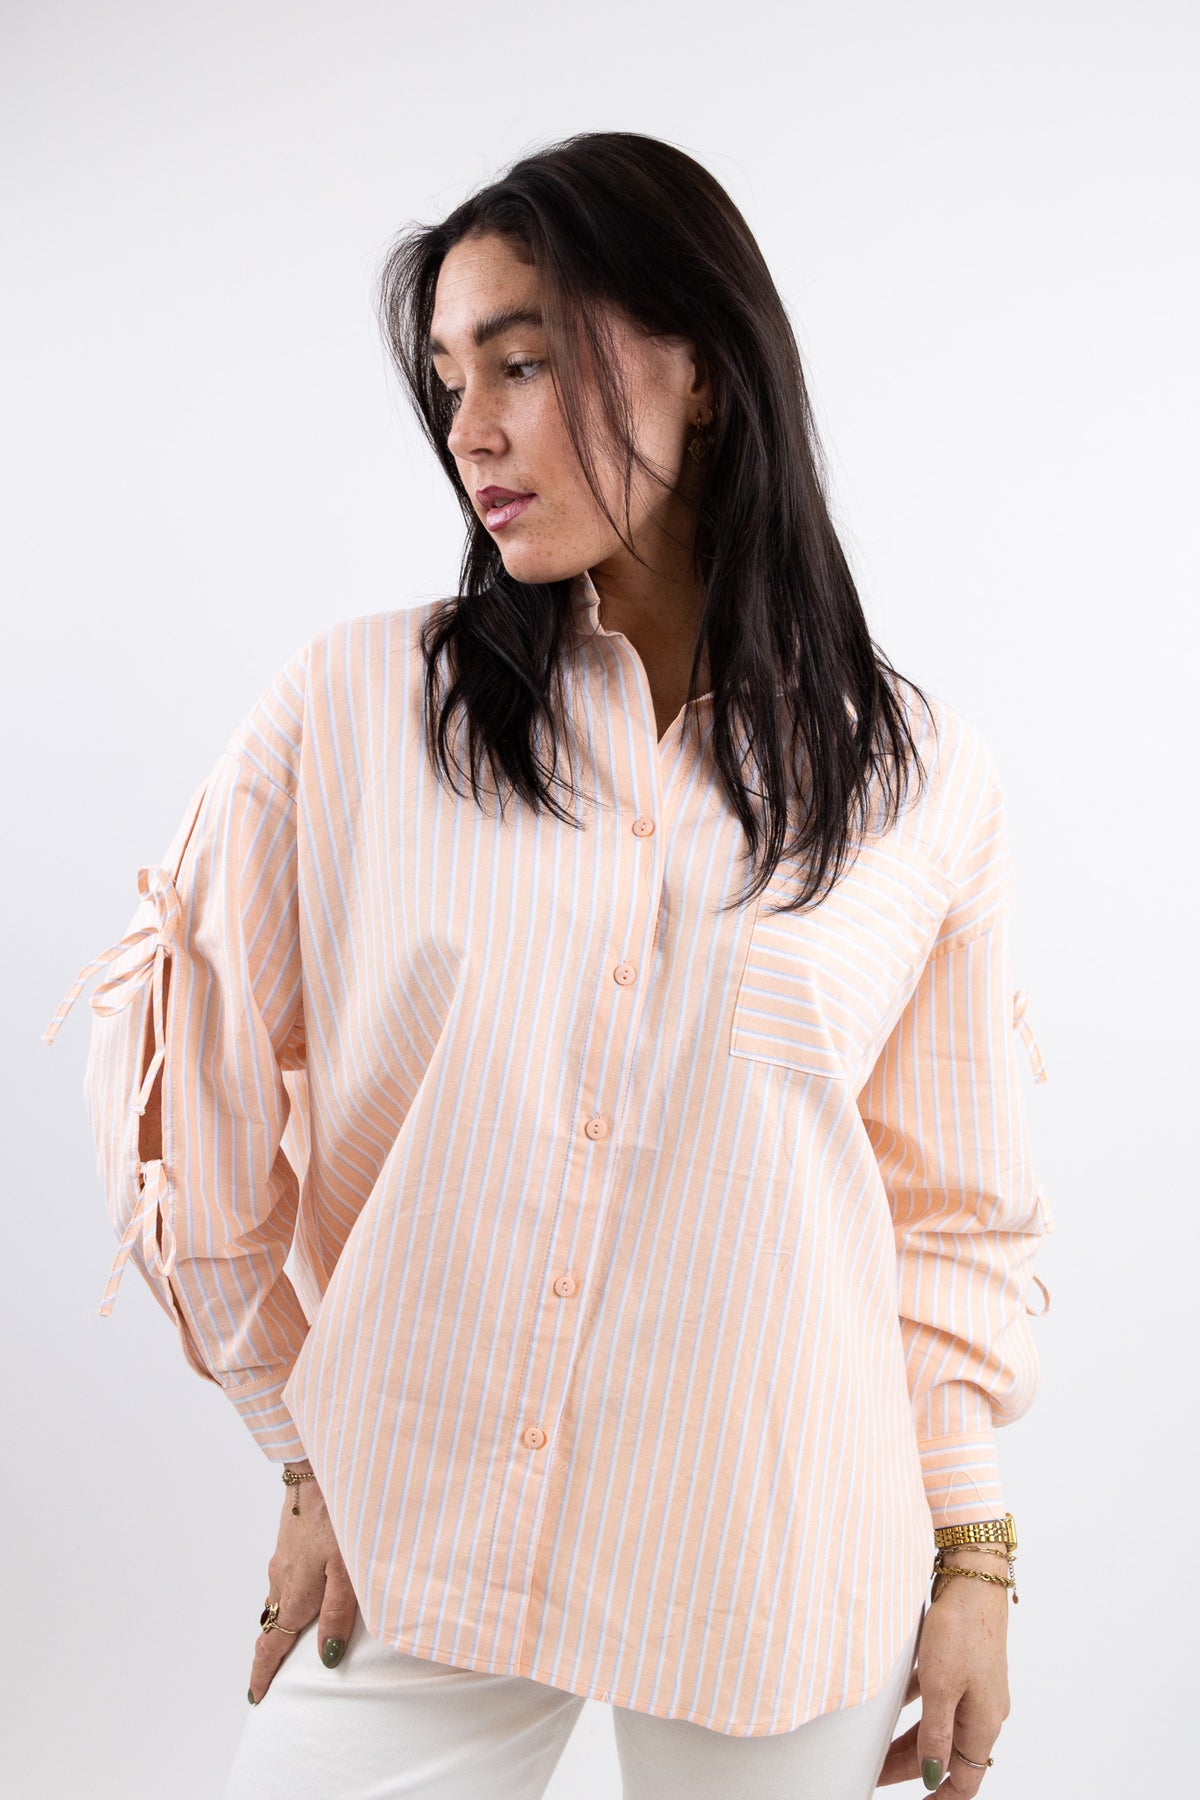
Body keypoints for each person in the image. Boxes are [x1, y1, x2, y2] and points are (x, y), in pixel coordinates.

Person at [43, 131, 1053, 1799]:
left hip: (776, 1552)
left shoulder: (915, 778)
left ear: (702, 372)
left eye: (521, 361)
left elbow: (947, 1209)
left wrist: (975, 1561)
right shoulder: (354, 713)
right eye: (449, 381)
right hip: (426, 1525)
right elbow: (186, 1096)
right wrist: (302, 1452)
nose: (470, 432)